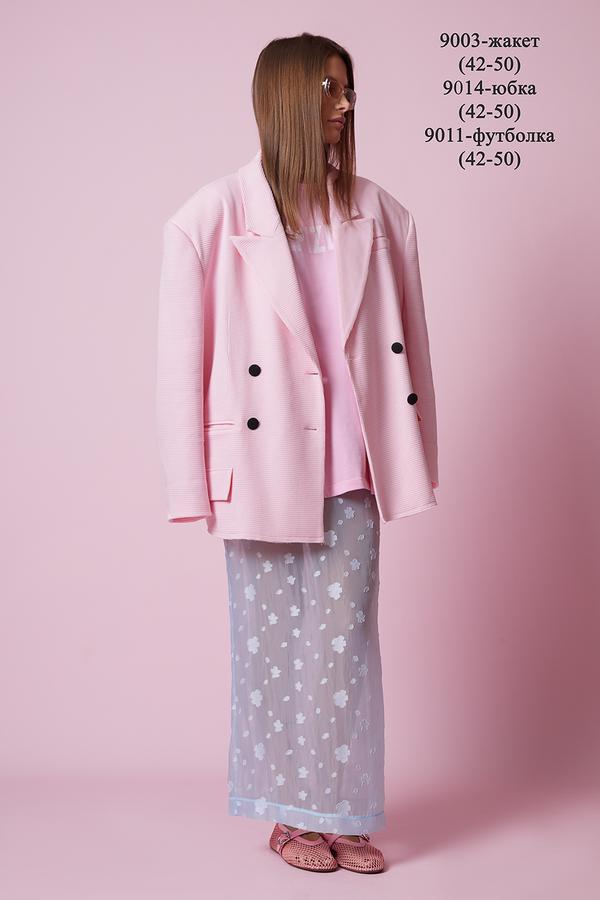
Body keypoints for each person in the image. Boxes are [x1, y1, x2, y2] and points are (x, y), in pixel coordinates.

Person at [156, 32, 439, 874]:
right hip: (263, 466)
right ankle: (287, 816)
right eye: (328, 88)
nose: (345, 104)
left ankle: (341, 810)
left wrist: (416, 456)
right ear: (285, 96)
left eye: (349, 88)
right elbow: (180, 363)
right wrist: (191, 484)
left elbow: (413, 352)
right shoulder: (209, 217)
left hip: (352, 462)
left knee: (345, 644)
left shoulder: (382, 215)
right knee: (270, 647)